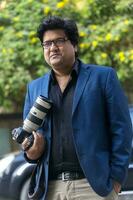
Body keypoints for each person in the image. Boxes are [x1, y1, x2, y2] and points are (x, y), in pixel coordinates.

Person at [22, 16, 133, 200]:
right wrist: (31, 152)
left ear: (74, 45)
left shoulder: (103, 77)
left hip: (93, 187)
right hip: (50, 188)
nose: (52, 48)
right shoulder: (34, 88)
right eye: (47, 44)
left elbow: (122, 130)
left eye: (59, 41)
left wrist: (116, 179)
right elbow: (28, 137)